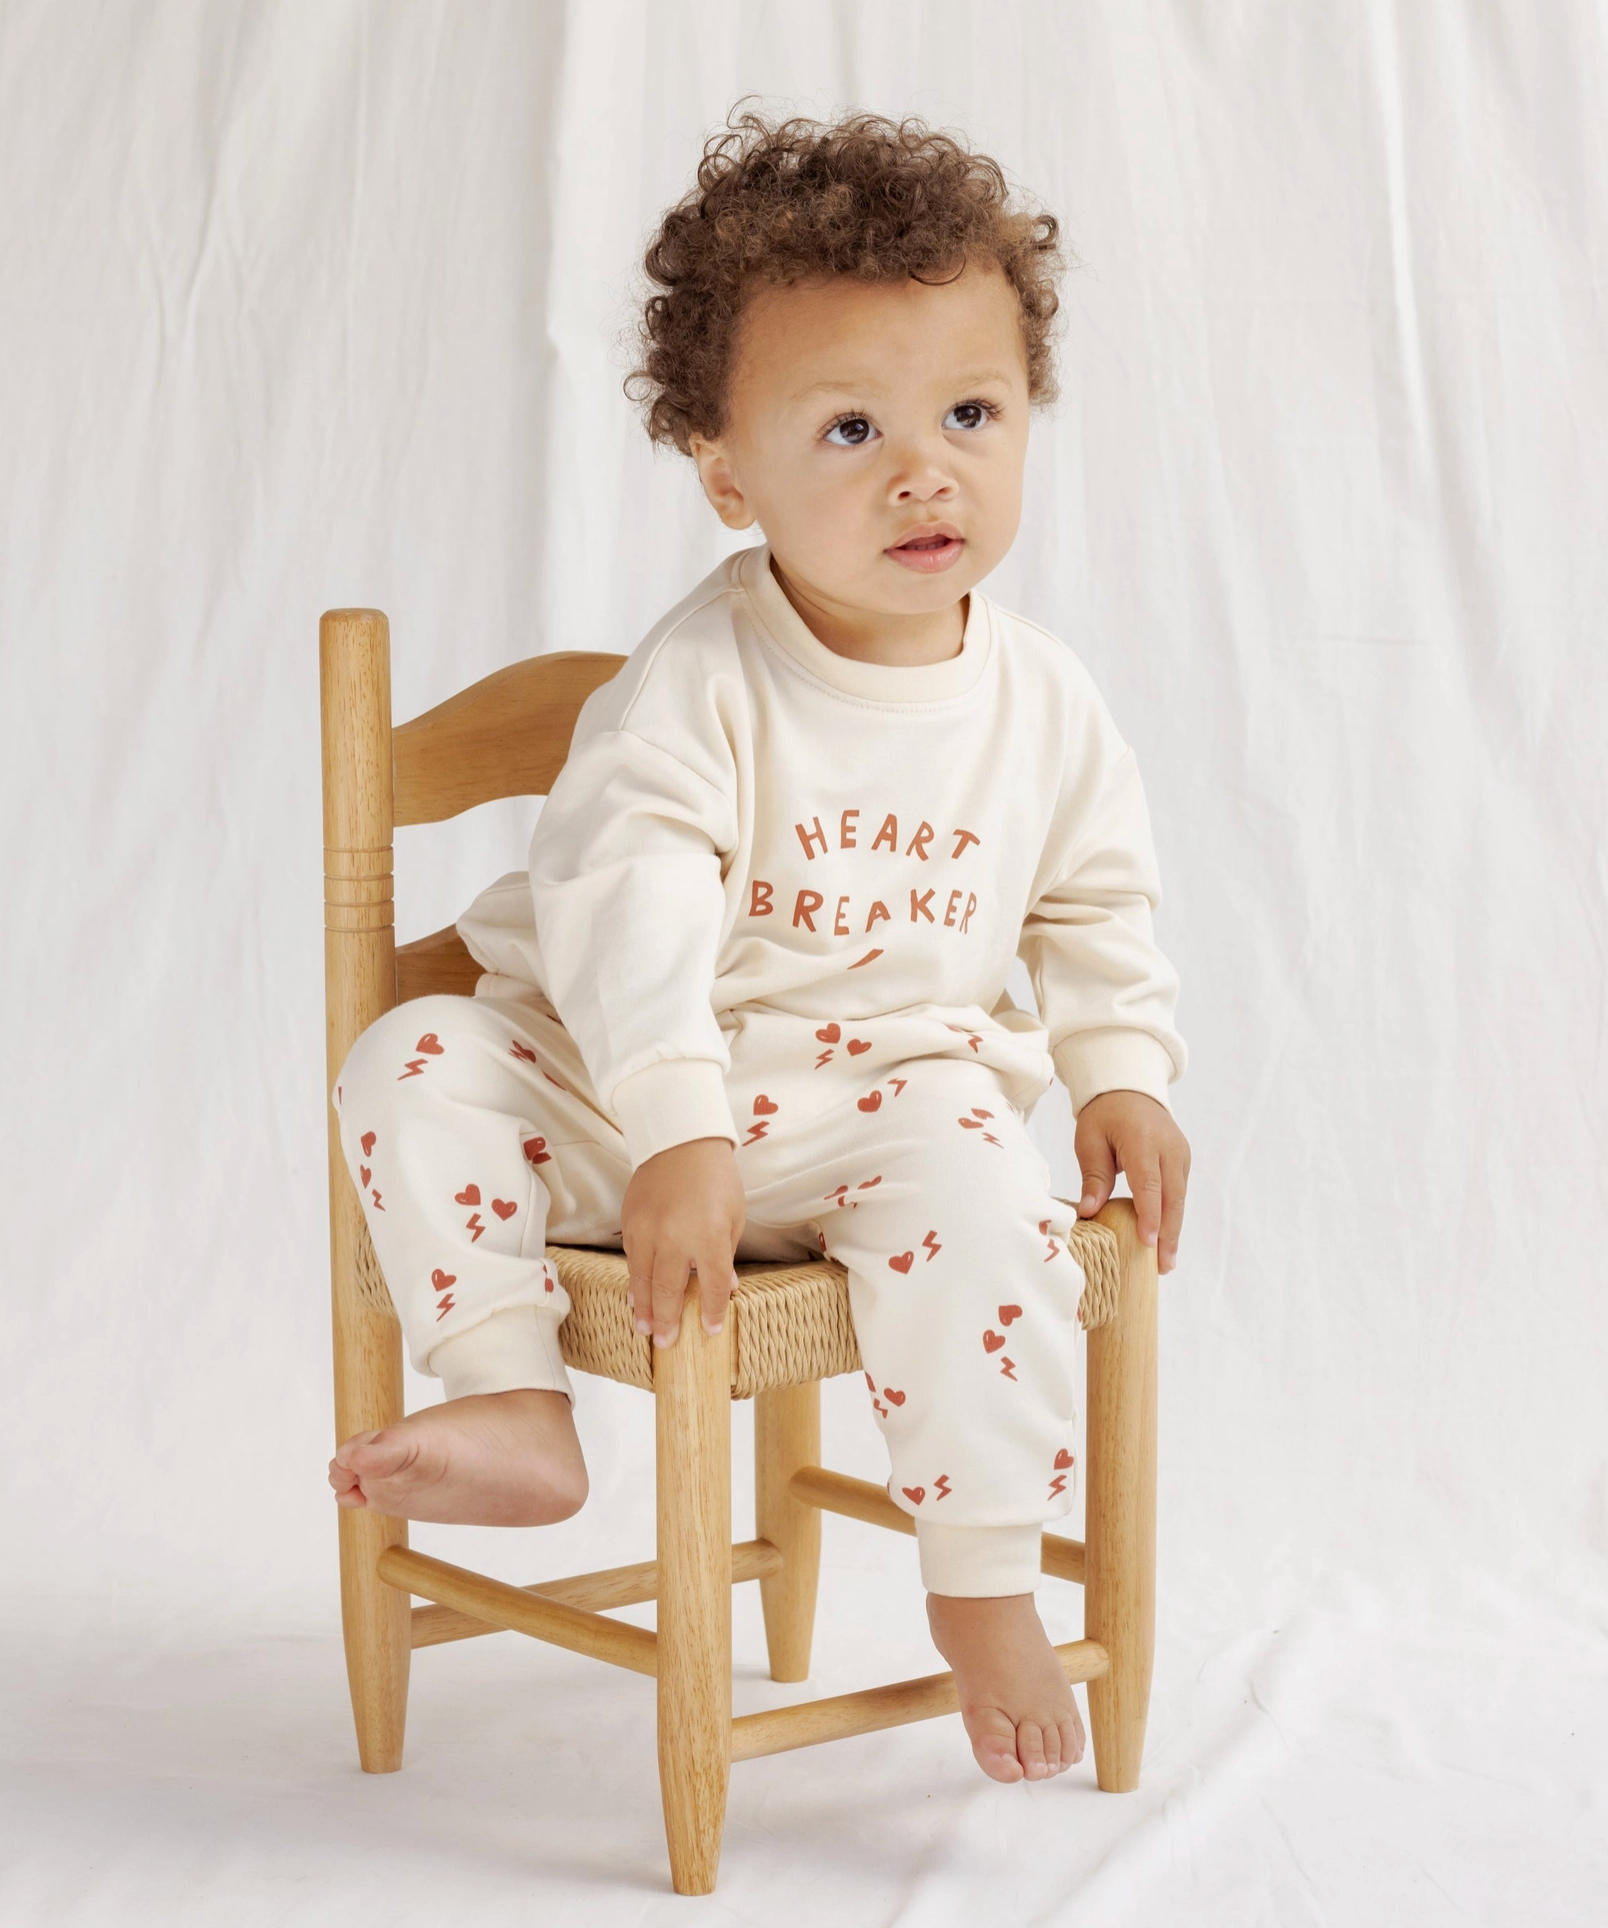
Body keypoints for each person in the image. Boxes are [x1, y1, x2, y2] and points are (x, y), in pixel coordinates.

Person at [327, 111, 1191, 1787]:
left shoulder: (1047, 704)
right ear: (729, 472)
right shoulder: (701, 679)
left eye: (969, 414)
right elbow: (623, 898)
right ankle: (510, 1396)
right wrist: (676, 1124)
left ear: (1030, 420)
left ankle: (982, 1573)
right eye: (851, 427)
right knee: (404, 1063)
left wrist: (1120, 1072)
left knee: (999, 1209)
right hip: (636, 1097)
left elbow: (1093, 900)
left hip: (885, 1103)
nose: (922, 468)